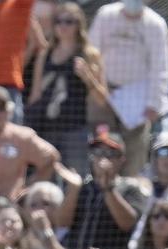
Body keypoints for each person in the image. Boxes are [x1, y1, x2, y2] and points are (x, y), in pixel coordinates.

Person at [55, 128, 149, 249]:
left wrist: (108, 188)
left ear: (121, 160)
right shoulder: (82, 188)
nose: (102, 158)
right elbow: (62, 221)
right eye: (98, 152)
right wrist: (73, 189)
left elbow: (127, 223)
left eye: (110, 154)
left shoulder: (129, 188)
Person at [89, 0, 168, 176]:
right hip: (104, 96)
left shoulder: (156, 24)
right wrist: (99, 85)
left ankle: (130, 193)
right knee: (102, 145)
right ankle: (101, 188)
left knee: (135, 151)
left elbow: (160, 67)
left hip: (138, 100)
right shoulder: (106, 15)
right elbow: (92, 54)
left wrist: (154, 103)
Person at [25, 2, 109, 174]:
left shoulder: (89, 54)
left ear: (79, 25)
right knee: (44, 176)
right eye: (59, 21)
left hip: (74, 128)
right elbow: (35, 94)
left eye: (69, 21)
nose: (63, 26)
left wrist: (87, 76)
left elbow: (101, 99)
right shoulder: (45, 54)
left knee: (76, 176)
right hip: (45, 127)